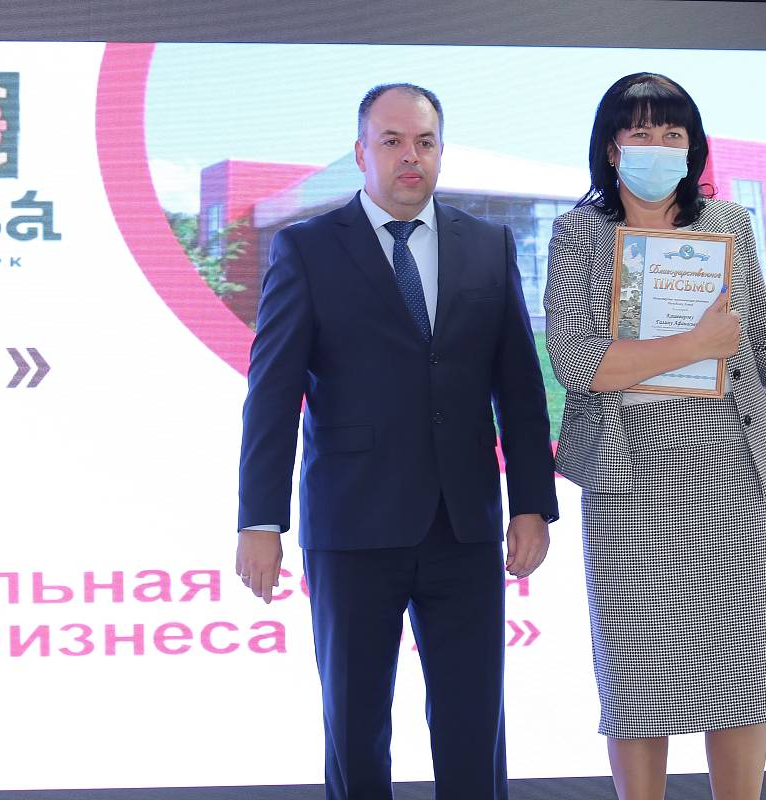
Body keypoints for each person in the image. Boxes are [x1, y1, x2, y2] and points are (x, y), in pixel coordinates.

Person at [234, 83, 559, 800]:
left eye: (424, 142)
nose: (410, 156)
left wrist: (532, 503)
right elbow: (272, 395)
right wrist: (259, 521)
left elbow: (519, 386)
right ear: (361, 152)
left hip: (465, 526)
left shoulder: (488, 244)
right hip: (352, 528)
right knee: (355, 732)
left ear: (441, 150)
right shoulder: (306, 248)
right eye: (392, 142)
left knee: (474, 727)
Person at [543, 73, 766, 800]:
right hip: (629, 479)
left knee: (744, 672)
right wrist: (693, 344)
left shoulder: (728, 225)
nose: (657, 146)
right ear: (612, 148)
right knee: (638, 674)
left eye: (672, 134)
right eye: (640, 132)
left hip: (731, 474)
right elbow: (578, 362)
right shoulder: (577, 235)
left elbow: (765, 350)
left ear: (693, 147)